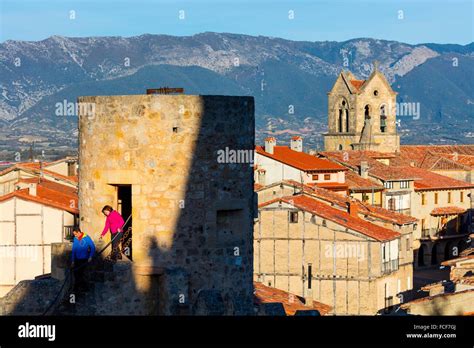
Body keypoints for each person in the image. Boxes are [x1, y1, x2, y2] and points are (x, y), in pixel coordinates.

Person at [71, 226, 95, 291]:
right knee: (76, 274)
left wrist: (90, 256)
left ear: (79, 232)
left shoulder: (86, 238)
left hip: (84, 259)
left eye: (75, 234)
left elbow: (93, 247)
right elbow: (73, 250)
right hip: (77, 259)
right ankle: (77, 289)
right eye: (74, 234)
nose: (75, 236)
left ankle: (83, 288)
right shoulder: (75, 239)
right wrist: (72, 260)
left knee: (82, 274)